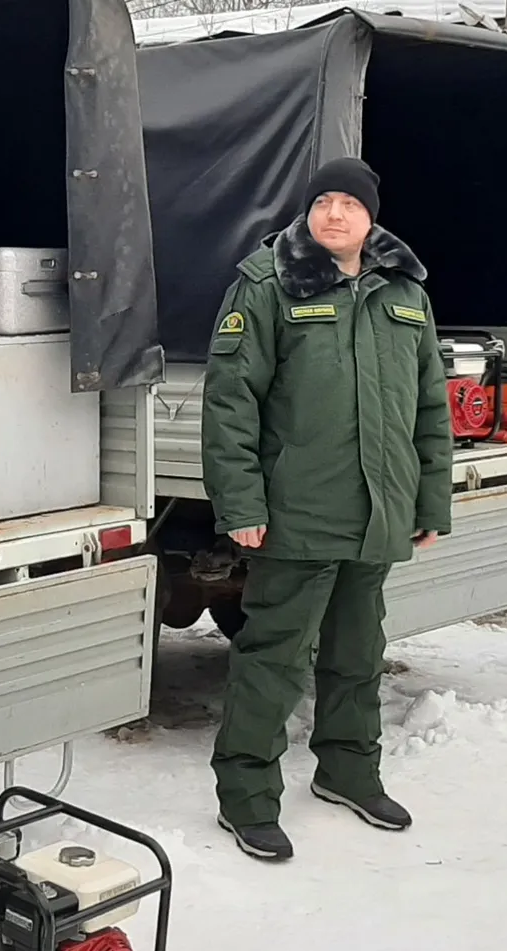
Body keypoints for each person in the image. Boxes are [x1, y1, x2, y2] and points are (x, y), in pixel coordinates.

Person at [199, 158, 454, 861]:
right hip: (297, 513)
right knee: (274, 659)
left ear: (371, 217)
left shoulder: (404, 291)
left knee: (357, 654)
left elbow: (429, 403)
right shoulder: (268, 285)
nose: (333, 214)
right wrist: (241, 502)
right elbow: (230, 404)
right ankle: (246, 798)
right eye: (322, 202)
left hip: (378, 511)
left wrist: (429, 497)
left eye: (349, 203)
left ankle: (348, 774)